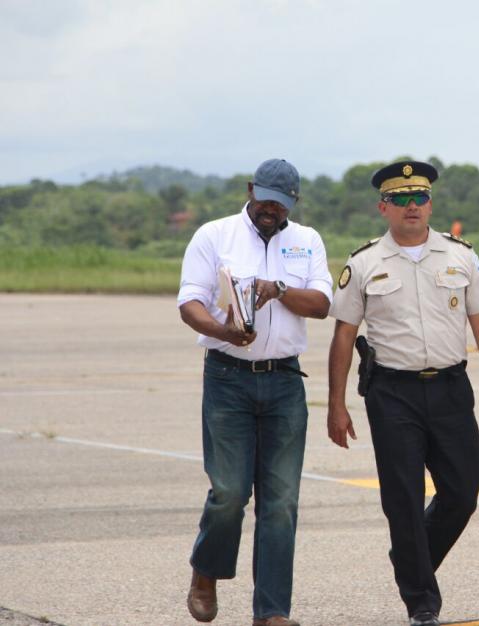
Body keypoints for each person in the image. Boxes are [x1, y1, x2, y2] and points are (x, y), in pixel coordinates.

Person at [327, 160, 479, 626]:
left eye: (420, 198)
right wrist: (336, 405)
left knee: (463, 493)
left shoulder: (459, 255)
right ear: (383, 207)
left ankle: (411, 561)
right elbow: (344, 336)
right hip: (393, 394)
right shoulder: (364, 262)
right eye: (401, 199)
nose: (412, 207)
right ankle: (422, 603)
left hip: (450, 388)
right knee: (403, 499)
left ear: (431, 204)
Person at [177, 158, 333, 626]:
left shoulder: (307, 241)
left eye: (281, 204)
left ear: (293, 204)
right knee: (228, 492)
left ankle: (271, 611)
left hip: (285, 380)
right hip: (228, 378)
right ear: (250, 189)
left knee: (281, 501)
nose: (271, 210)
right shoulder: (214, 235)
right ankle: (206, 570)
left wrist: (277, 288)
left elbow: (323, 304)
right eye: (264, 199)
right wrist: (223, 333)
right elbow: (190, 304)